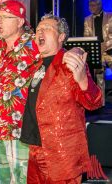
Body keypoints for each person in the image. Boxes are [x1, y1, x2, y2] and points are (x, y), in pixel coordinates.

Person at [20, 14, 103, 183]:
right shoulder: (35, 65)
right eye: (38, 30)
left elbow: (94, 102)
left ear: (61, 36)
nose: (40, 32)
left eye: (47, 28)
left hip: (62, 154)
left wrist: (82, 80)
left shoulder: (70, 62)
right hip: (35, 149)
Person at [0, 0, 41, 184]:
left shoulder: (34, 45)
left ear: (20, 21)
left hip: (20, 132)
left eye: (5, 17)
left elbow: (58, 56)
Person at [84, 0, 112, 105]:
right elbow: (87, 37)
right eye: (90, 5)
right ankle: (101, 103)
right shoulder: (87, 19)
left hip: (110, 50)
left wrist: (103, 46)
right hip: (97, 52)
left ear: (100, 5)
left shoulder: (110, 16)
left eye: (93, 5)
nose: (91, 8)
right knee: (99, 77)